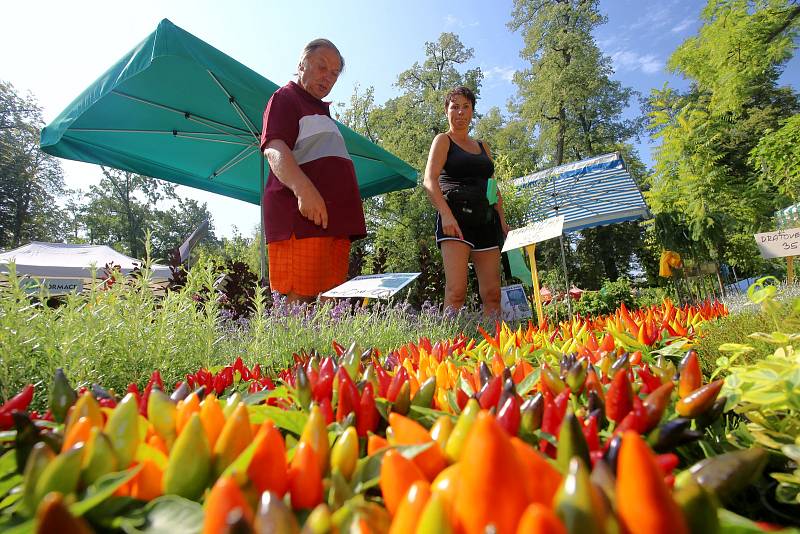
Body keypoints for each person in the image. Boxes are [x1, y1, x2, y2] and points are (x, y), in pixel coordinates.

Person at [260, 39, 366, 303]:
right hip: (302, 221)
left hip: (333, 224)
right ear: (301, 64)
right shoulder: (285, 97)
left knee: (329, 309)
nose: (327, 77)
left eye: (334, 73)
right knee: (299, 306)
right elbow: (274, 148)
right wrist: (303, 190)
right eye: (321, 67)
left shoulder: (322, 113)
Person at [423, 86, 509, 315]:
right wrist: (446, 214)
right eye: (454, 107)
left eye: (465, 107)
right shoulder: (443, 140)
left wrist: (502, 219)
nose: (460, 112)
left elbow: (493, 186)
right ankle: (449, 347)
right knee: (456, 291)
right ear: (446, 111)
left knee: (493, 294)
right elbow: (429, 181)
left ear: (472, 111)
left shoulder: (483, 147)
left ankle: (496, 347)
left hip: (486, 222)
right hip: (455, 219)